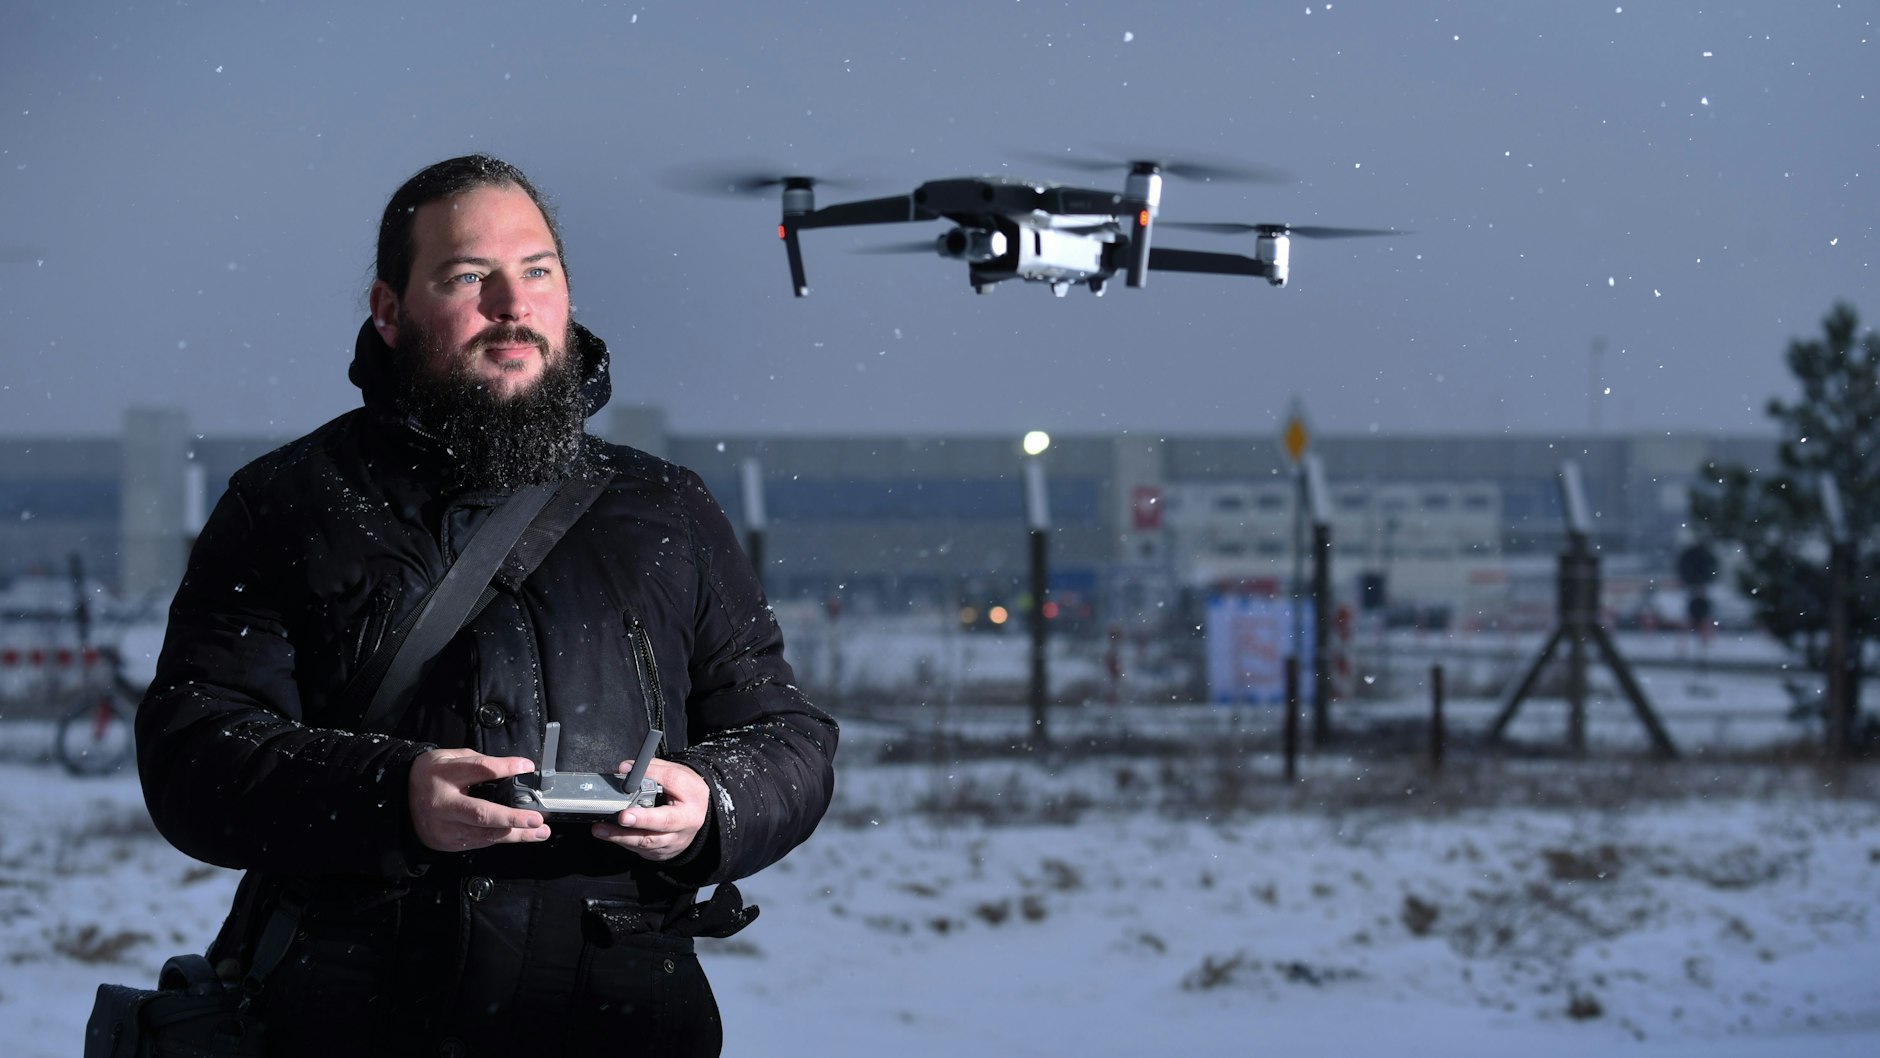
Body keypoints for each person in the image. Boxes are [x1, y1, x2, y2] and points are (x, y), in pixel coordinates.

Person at [135, 154, 838, 1057]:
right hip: (350, 1021)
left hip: (620, 1021)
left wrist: (712, 805)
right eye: (469, 276)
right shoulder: (286, 505)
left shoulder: (666, 509)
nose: (513, 303)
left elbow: (787, 738)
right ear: (390, 312)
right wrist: (395, 798)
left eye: (537, 271)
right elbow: (193, 753)